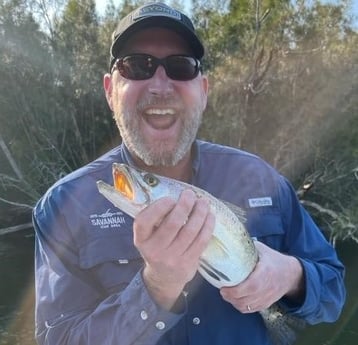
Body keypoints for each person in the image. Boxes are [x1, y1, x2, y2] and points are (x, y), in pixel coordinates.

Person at [33, 2, 346, 345]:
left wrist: (290, 276)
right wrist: (156, 288)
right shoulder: (63, 207)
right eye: (137, 66)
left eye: (181, 67)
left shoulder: (262, 178)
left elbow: (333, 290)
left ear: (204, 91)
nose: (160, 85)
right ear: (110, 91)